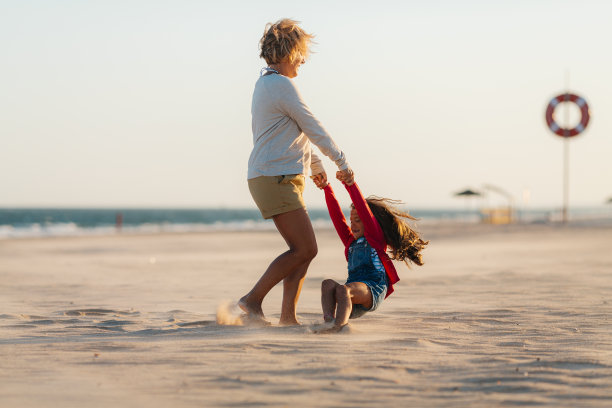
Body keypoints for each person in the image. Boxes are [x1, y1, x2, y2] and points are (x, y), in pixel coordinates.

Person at [240, 19, 353, 326]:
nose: (304, 60)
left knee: (301, 251)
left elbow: (292, 131)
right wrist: (340, 162)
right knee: (306, 248)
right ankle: (252, 300)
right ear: (291, 52)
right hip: (275, 178)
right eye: (302, 53)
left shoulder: (269, 84)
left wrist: (315, 166)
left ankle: (288, 317)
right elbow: (311, 125)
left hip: (282, 176)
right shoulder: (279, 84)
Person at [312, 171, 428, 333]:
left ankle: (338, 327)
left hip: (373, 289)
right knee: (328, 284)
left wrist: (350, 184)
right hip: (353, 294)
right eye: (352, 221)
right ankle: (329, 321)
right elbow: (337, 217)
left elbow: (362, 207)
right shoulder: (350, 242)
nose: (353, 225)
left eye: (358, 220)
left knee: (343, 289)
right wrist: (326, 188)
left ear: (368, 222)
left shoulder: (374, 238)